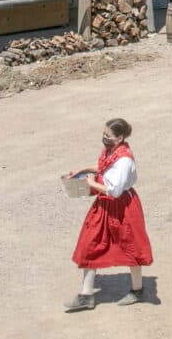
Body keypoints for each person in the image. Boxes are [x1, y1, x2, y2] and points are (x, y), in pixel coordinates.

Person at [63, 118, 154, 312]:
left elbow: (114, 191)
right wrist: (82, 169)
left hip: (123, 207)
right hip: (105, 205)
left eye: (108, 136)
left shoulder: (124, 160)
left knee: (131, 246)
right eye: (104, 134)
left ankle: (137, 290)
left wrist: (90, 184)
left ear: (120, 138)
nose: (104, 138)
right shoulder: (112, 152)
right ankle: (86, 295)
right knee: (90, 243)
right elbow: (103, 166)